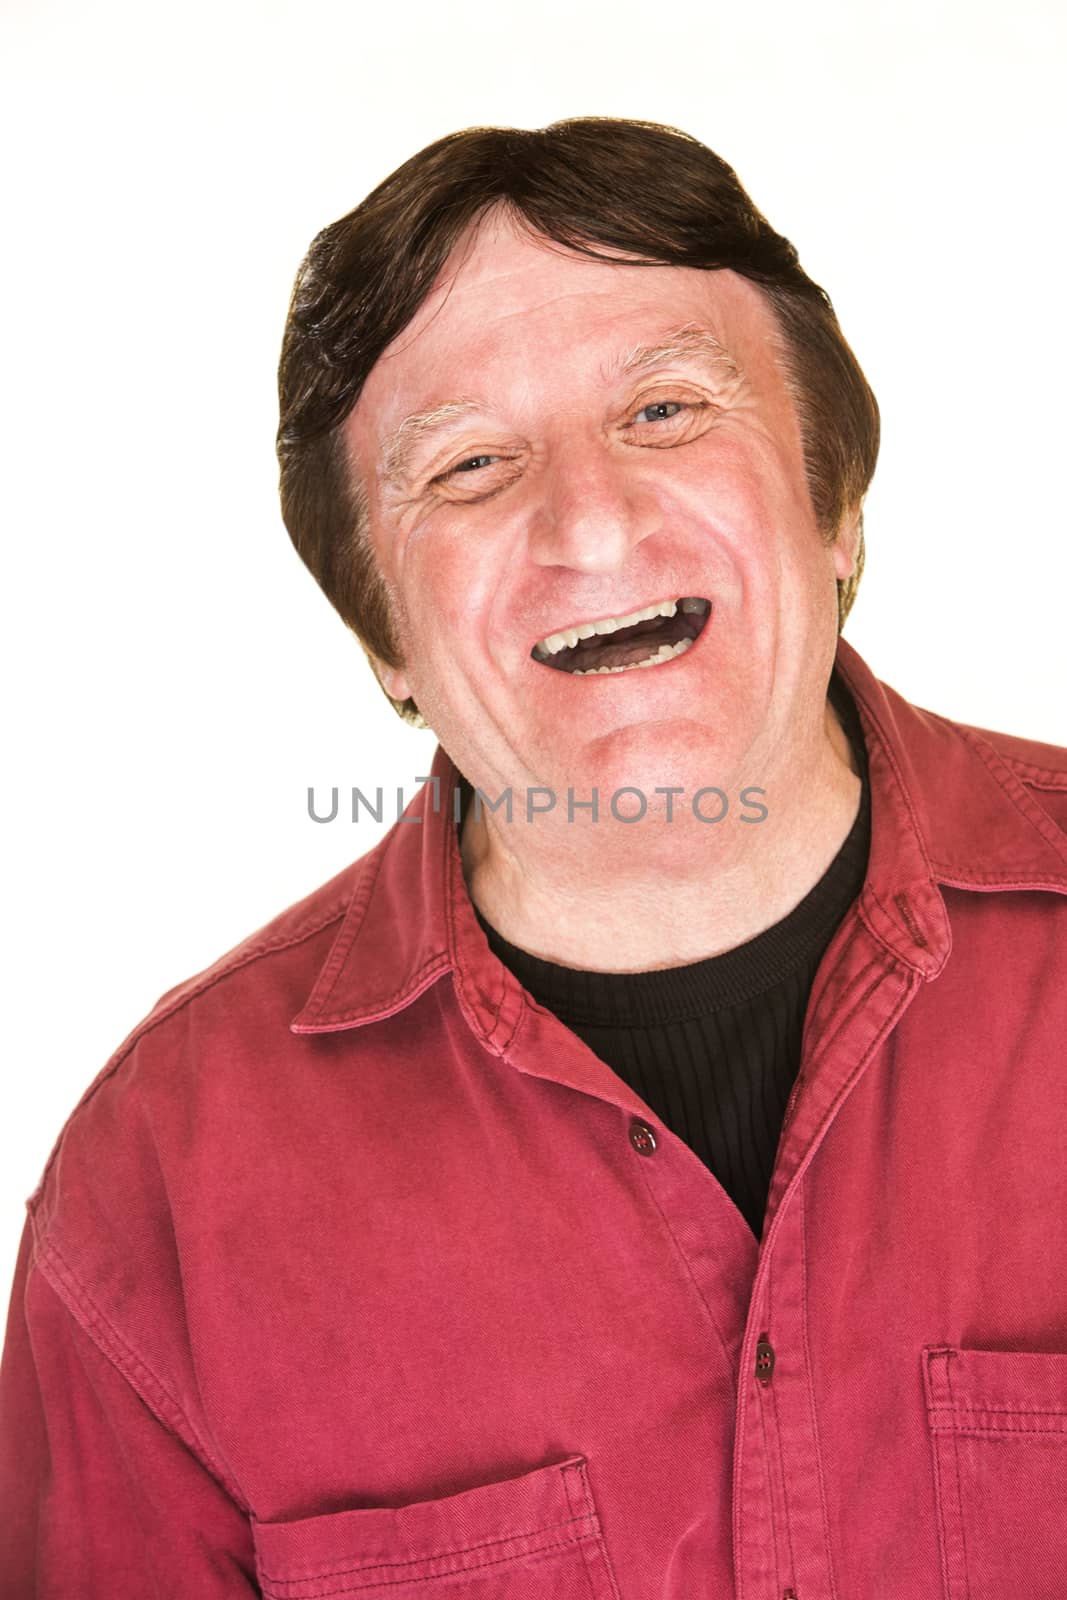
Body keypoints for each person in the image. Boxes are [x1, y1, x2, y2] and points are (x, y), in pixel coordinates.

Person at [2, 116, 1066, 1599]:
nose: (588, 518)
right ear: (386, 641)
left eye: (667, 411)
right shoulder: (158, 1193)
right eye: (474, 464)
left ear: (834, 508)